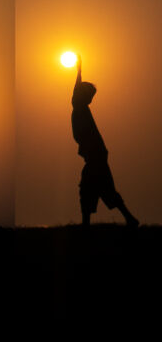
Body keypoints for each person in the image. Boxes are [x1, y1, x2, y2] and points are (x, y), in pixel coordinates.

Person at [71, 58, 138, 227]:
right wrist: (78, 71)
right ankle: (130, 219)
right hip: (96, 155)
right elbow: (77, 90)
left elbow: (77, 91)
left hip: (96, 156)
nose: (92, 99)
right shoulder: (79, 106)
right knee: (104, 189)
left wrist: (79, 71)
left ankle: (87, 225)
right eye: (90, 96)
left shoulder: (81, 108)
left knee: (89, 189)